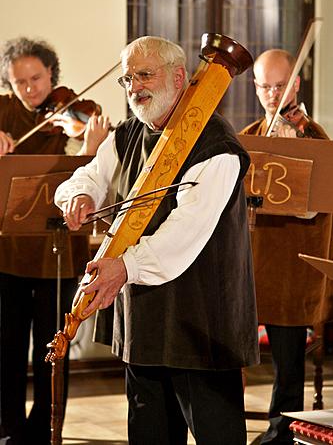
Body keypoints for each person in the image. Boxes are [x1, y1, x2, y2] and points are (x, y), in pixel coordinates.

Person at [54, 35, 259, 445]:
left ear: (179, 76)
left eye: (145, 74)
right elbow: (92, 175)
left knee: (216, 435)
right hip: (143, 320)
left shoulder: (217, 146)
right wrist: (79, 194)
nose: (135, 87)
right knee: (150, 435)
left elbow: (184, 233)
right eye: (128, 79)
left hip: (201, 325)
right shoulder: (128, 133)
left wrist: (124, 266)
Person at [0, 36, 110, 445]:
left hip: (59, 254)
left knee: (51, 348)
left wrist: (89, 146)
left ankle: (44, 430)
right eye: (20, 83)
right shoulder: (1, 111)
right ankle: (8, 429)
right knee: (6, 348)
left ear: (52, 74)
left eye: (37, 78)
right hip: (7, 252)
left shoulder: (82, 112)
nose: (31, 90)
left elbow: (100, 176)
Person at [241, 49, 333, 445]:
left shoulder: (314, 138)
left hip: (292, 270)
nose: (273, 95)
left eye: (281, 86)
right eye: (265, 87)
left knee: (288, 365)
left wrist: (296, 153)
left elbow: (318, 210)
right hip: (255, 264)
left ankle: (281, 435)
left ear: (295, 84)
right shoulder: (248, 136)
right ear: (255, 87)